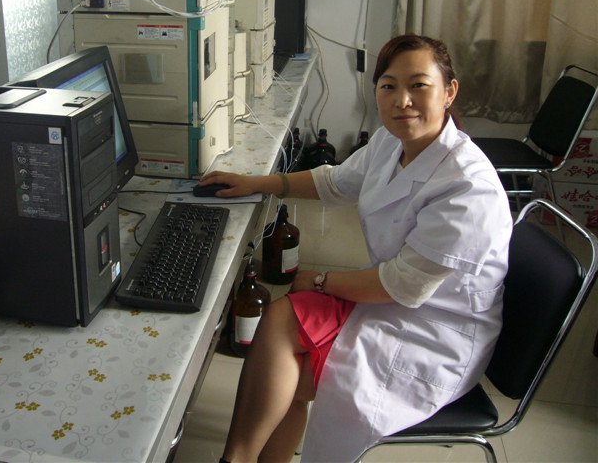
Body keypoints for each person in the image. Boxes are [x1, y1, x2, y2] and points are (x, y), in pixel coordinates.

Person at [199, 34, 513, 463]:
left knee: (287, 371)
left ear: (449, 91)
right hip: (392, 299)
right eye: (388, 86)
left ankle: (236, 460)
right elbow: (335, 182)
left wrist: (321, 280)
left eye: (419, 85)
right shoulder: (391, 142)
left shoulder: (467, 186)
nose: (402, 100)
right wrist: (256, 183)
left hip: (434, 330)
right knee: (280, 321)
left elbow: (402, 286)